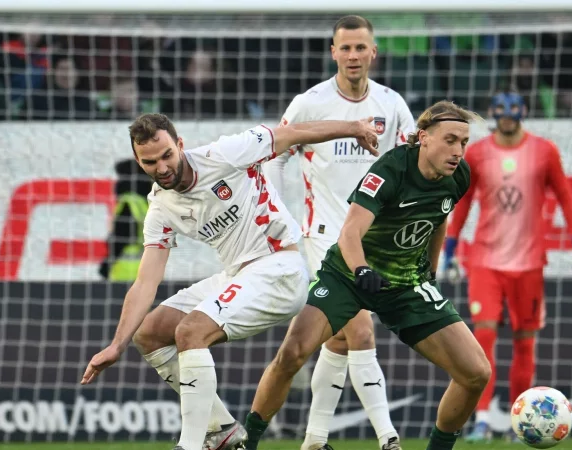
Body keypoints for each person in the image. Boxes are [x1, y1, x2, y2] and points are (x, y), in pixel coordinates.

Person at [80, 113, 380, 450]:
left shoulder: (225, 154)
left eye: (167, 155)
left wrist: (353, 127)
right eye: (150, 162)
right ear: (139, 161)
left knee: (191, 332)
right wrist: (116, 345)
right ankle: (221, 428)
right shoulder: (161, 208)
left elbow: (294, 133)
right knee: (149, 333)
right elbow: (145, 282)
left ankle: (189, 445)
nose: (162, 167)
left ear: (180, 145)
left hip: (280, 265)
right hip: (239, 274)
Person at [243, 100, 492, 450]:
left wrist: (430, 272)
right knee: (292, 354)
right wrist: (361, 270)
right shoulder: (389, 171)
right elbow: (349, 233)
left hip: (406, 284)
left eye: (464, 143)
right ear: (424, 138)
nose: (458, 151)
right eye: (450, 140)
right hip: (348, 275)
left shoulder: (459, 176)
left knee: (476, 373)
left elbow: (440, 217)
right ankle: (247, 441)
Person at [264, 15, 415, 450]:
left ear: (373, 52)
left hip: (370, 240)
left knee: (338, 339)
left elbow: (407, 165)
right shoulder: (309, 103)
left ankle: (313, 440)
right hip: (323, 237)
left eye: (360, 47)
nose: (353, 55)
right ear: (333, 52)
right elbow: (273, 152)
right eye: (344, 48)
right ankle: (389, 439)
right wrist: (279, 215)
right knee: (362, 330)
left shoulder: (391, 105)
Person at [442, 92, 572, 443]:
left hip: (529, 262)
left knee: (525, 343)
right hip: (485, 261)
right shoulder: (476, 154)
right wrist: (449, 249)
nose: (507, 118)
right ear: (494, 114)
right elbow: (462, 205)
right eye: (501, 112)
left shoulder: (544, 151)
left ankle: (514, 424)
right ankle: (480, 419)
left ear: (522, 113)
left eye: (513, 112)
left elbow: (566, 197)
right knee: (485, 338)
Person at [98, 159, 153, 281]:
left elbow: (120, 237)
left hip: (126, 272)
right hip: (148, 269)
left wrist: (105, 266)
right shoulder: (146, 204)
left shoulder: (129, 202)